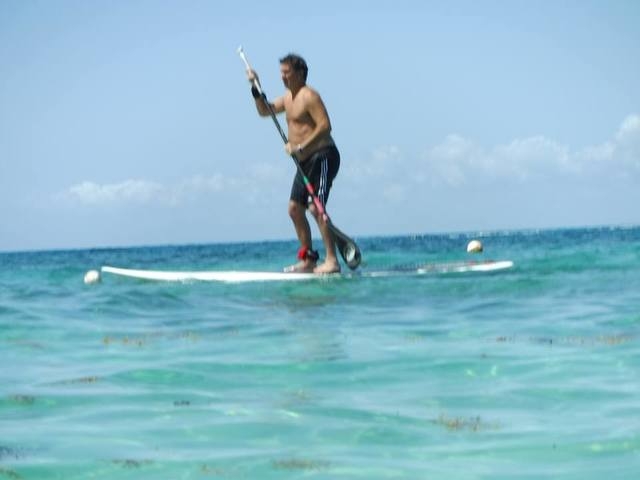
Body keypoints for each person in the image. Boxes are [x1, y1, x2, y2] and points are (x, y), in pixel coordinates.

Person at [247, 53, 341, 274]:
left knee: (315, 207)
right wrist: (255, 87)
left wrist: (301, 147)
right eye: (281, 74)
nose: (283, 78)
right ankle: (308, 259)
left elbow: (325, 126)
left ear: (300, 73)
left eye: (287, 73)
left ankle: (332, 261)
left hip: (323, 156)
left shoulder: (310, 96)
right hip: (305, 162)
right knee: (294, 209)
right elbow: (265, 111)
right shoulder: (288, 98)